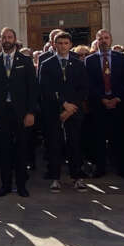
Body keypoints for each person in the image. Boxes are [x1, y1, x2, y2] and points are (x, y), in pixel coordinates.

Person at [0, 27, 38, 197]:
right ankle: (5, 185)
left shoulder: (25, 60)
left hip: (21, 112)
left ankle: (22, 185)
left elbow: (32, 89)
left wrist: (31, 112)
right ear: (0, 40)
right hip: (1, 112)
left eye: (10, 37)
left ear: (15, 39)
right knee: (4, 149)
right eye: (4, 37)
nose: (7, 40)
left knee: (21, 149)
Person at [37, 30, 89, 192]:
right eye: (59, 43)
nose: (63, 46)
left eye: (66, 43)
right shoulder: (47, 64)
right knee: (54, 145)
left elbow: (83, 88)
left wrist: (71, 106)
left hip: (74, 111)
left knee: (75, 144)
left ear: (71, 45)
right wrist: (63, 104)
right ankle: (55, 178)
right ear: (54, 45)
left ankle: (77, 177)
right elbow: (45, 89)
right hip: (54, 111)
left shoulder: (79, 64)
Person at [84, 29, 124, 178]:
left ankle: (122, 167)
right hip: (99, 105)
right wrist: (102, 99)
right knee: (98, 138)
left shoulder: (120, 58)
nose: (103, 41)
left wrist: (117, 98)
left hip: (118, 104)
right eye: (100, 38)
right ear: (96, 41)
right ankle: (100, 168)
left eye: (106, 38)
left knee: (119, 137)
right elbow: (89, 83)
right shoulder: (90, 60)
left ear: (110, 40)